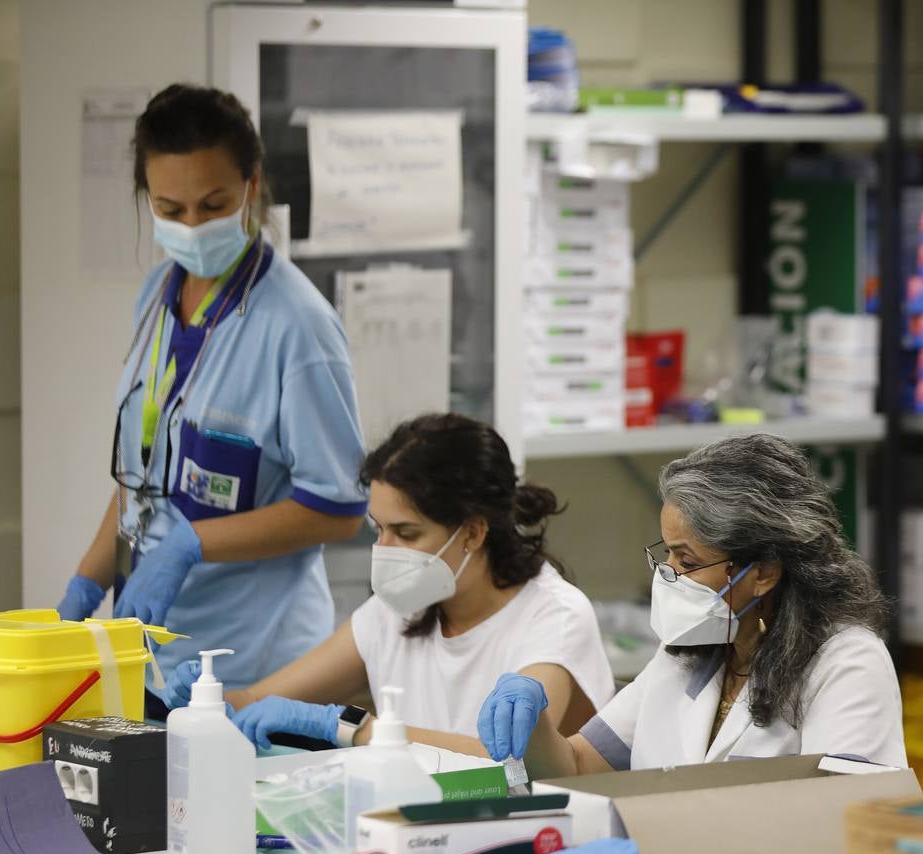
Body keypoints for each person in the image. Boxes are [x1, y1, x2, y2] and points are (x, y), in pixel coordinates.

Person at [55, 84, 368, 695]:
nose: (193, 226)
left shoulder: (298, 326)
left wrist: (190, 545)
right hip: (153, 657)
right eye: (171, 210)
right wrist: (82, 589)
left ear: (251, 186)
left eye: (213, 203)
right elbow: (139, 482)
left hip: (254, 668)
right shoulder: (157, 297)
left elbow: (337, 508)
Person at [161, 414, 616, 755]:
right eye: (379, 529)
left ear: (474, 532)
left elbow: (510, 761)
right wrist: (205, 703)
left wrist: (355, 728)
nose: (387, 549)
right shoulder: (399, 608)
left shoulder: (553, 618)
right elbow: (261, 699)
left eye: (407, 533)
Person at [476, 434, 907, 776]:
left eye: (689, 561)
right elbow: (577, 766)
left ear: (764, 573)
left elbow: (844, 821)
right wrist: (534, 727)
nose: (668, 574)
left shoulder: (845, 664)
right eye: (668, 554)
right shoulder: (690, 654)